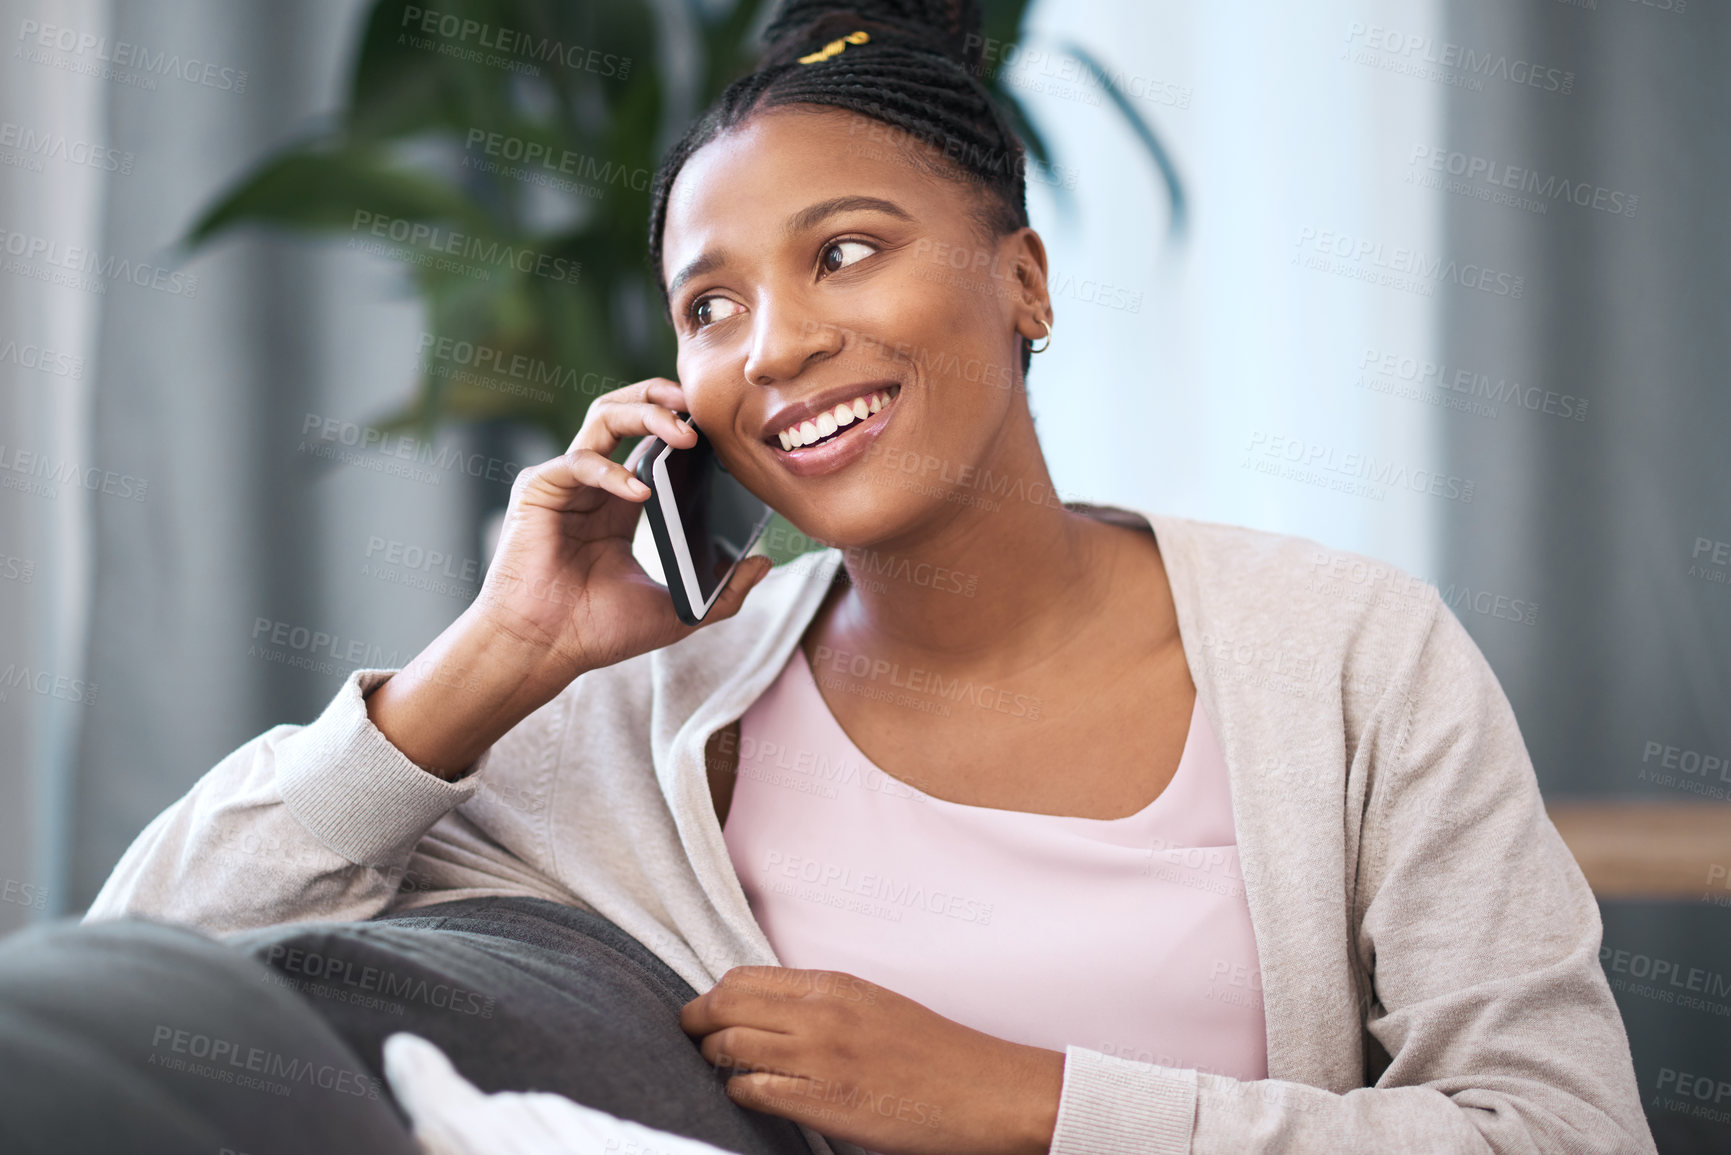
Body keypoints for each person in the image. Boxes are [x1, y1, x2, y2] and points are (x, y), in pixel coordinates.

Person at [0, 1, 1656, 1153]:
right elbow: (124, 994)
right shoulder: (651, 717)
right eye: (708, 306)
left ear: (1024, 279)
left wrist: (1024, 1099)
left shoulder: (1346, 651)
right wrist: (499, 653)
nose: (776, 344)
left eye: (845, 252)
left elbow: (1563, 1131)